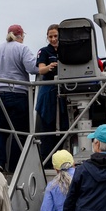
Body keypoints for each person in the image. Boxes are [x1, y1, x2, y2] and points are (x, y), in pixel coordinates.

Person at [0, 24, 56, 173]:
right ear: (21, 35)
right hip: (17, 94)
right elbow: (32, 68)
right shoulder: (22, 48)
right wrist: (47, 67)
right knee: (20, 132)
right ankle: (15, 167)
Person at [35, 24, 67, 163]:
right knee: (47, 127)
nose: (53, 39)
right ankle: (47, 162)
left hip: (65, 92)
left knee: (66, 126)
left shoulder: (67, 50)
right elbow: (41, 70)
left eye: (56, 36)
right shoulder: (44, 51)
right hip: (49, 92)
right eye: (50, 36)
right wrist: (49, 67)